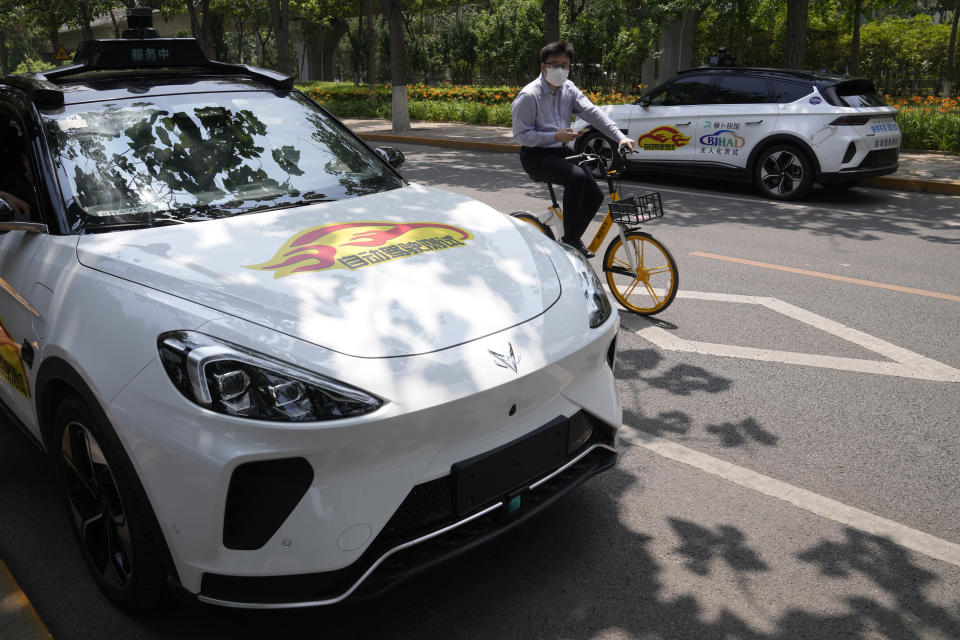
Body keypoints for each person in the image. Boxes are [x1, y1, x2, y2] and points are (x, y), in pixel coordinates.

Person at [512, 41, 634, 258]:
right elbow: (521, 136)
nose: (560, 69)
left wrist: (620, 137)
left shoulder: (569, 89)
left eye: (565, 65)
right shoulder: (529, 95)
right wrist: (554, 136)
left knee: (595, 194)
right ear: (543, 67)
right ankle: (570, 239)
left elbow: (593, 113)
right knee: (577, 178)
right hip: (535, 155)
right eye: (555, 64)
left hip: (560, 152)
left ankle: (570, 241)